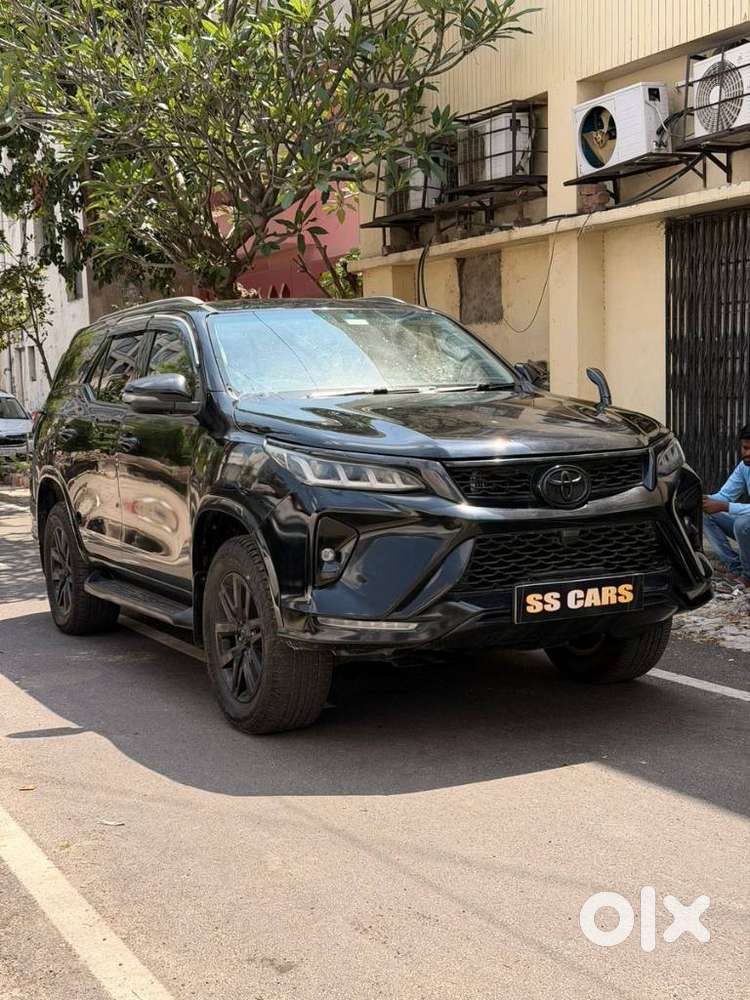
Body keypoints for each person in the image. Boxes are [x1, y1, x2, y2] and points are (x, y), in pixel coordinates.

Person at [702, 425, 750, 586]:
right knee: (705, 513)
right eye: (745, 448)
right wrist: (702, 499)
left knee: (742, 523)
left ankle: (748, 575)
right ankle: (735, 568)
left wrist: (725, 506)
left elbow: (724, 503)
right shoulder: (745, 467)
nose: (747, 453)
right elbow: (725, 495)